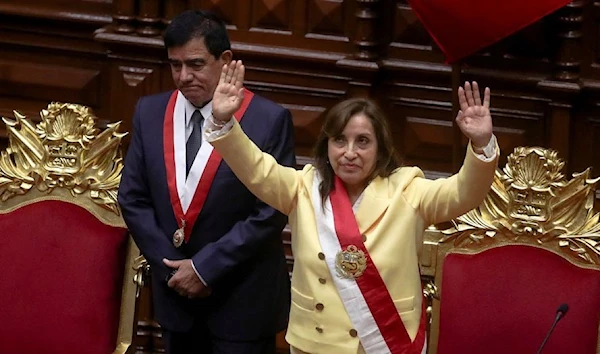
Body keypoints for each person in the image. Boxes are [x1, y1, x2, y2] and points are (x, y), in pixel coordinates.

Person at [203, 60, 499, 354]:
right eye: (339, 141)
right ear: (326, 146)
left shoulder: (409, 189)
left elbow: (464, 193)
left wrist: (481, 143)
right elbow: (256, 169)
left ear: (380, 147)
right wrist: (224, 123)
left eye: (363, 142)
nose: (349, 153)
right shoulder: (303, 187)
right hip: (316, 344)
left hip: (384, 342)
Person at [117, 10, 296, 354]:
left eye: (195, 64)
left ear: (224, 60)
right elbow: (133, 198)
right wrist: (172, 270)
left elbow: (270, 212)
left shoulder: (268, 120)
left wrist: (204, 268)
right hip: (175, 300)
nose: (184, 76)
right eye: (175, 65)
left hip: (241, 303)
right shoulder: (150, 112)